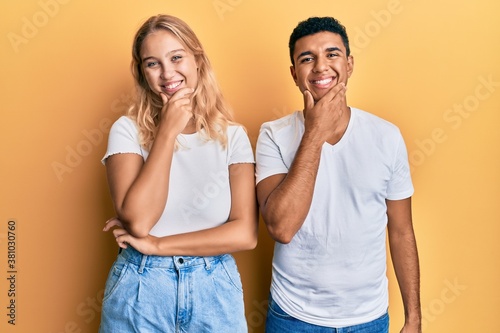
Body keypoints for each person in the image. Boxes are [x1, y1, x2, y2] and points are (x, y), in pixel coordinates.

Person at [255, 16, 421, 332]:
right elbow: (282, 227)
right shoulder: (273, 135)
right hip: (293, 317)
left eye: (332, 54)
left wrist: (414, 318)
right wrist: (315, 132)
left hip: (369, 318)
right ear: (294, 74)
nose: (320, 67)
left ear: (349, 63)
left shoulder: (386, 136)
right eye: (307, 58)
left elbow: (401, 232)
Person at [98, 14, 258, 333]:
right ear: (142, 73)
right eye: (152, 63)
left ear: (197, 60)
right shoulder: (126, 131)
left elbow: (245, 234)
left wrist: (157, 245)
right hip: (140, 289)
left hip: (215, 290)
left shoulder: (233, 136)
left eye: (176, 57)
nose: (167, 73)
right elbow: (139, 221)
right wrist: (167, 132)